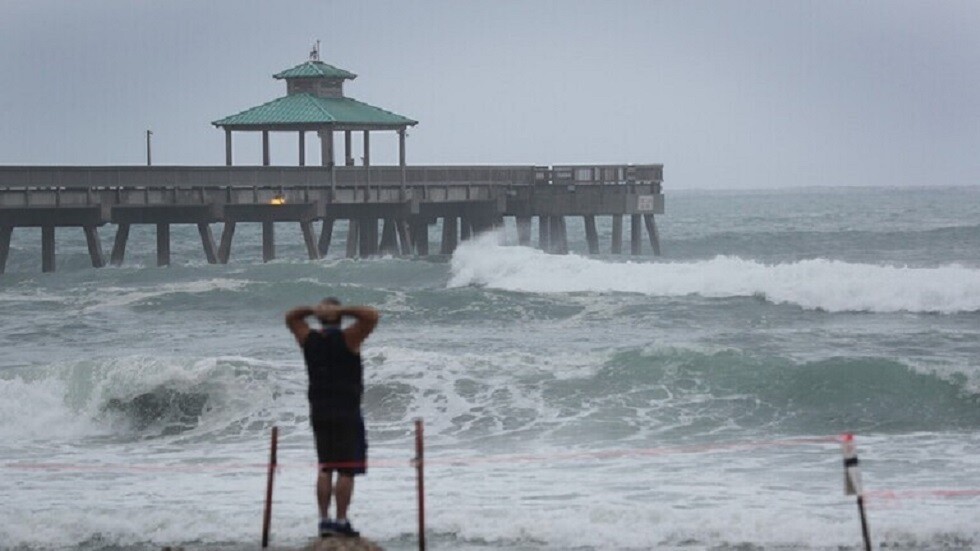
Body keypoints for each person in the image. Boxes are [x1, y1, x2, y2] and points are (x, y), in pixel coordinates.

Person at [285, 297, 380, 538]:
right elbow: (371, 315)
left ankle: (324, 520)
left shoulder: (308, 339)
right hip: (346, 411)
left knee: (326, 467)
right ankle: (340, 520)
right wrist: (344, 309)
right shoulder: (349, 338)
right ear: (340, 318)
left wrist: (312, 309)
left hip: (319, 410)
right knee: (346, 469)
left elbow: (291, 317)